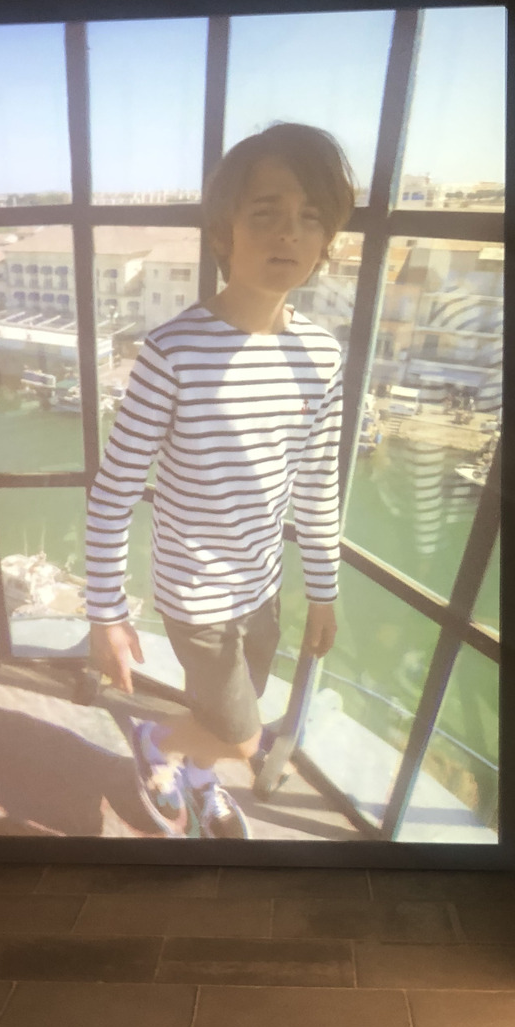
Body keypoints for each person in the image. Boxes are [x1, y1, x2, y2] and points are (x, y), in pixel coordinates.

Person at [83, 122, 350, 838]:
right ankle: (158, 746)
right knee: (241, 734)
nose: (288, 234)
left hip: (263, 589)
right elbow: (114, 492)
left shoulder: (322, 356)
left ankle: (194, 778)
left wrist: (321, 587)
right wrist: (105, 612)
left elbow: (318, 480)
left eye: (310, 217)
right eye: (266, 212)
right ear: (225, 228)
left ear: (327, 239)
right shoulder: (172, 352)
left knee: (225, 713)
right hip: (196, 594)